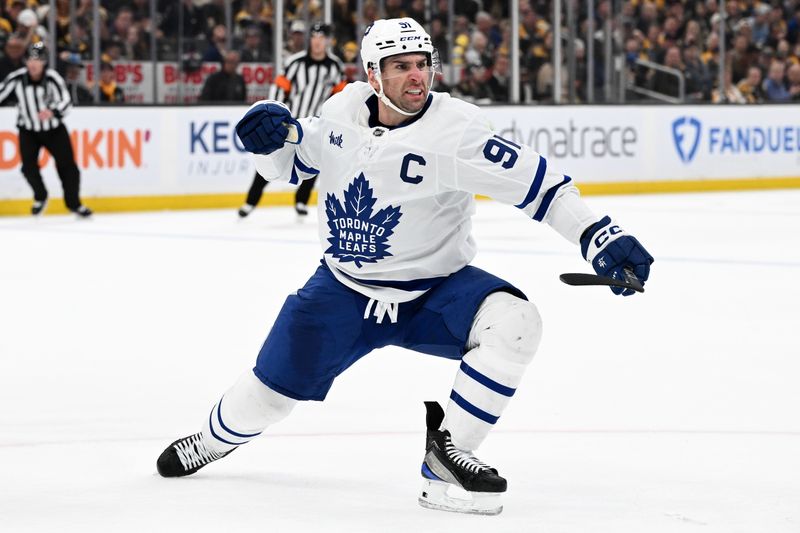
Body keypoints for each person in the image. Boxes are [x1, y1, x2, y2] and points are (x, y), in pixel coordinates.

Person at [156, 18, 653, 515]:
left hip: (435, 293)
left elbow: (541, 186)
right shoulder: (342, 109)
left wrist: (599, 235)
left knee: (517, 323)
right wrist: (267, 140)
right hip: (343, 291)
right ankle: (214, 439)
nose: (418, 77)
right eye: (401, 67)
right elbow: (293, 159)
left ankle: (445, 461)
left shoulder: (458, 130)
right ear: (373, 76)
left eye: (423, 65)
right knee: (264, 400)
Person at [237, 21, 346, 218]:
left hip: (315, 124)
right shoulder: (295, 63)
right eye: (314, 38)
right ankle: (250, 202)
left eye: (321, 38)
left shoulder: (335, 67)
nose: (317, 42)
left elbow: (339, 96)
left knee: (315, 162)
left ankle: (301, 201)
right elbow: (279, 89)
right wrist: (273, 118)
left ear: (328, 41)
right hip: (290, 122)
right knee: (270, 156)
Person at [0, 41, 92, 217]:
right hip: (28, 130)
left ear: (44, 62)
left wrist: (53, 112)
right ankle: (40, 196)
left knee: (68, 168)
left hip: (54, 130)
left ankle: (74, 204)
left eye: (38, 60)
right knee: (28, 168)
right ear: (26, 61)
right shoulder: (17, 78)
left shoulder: (52, 78)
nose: (34, 64)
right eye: (30, 60)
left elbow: (66, 101)